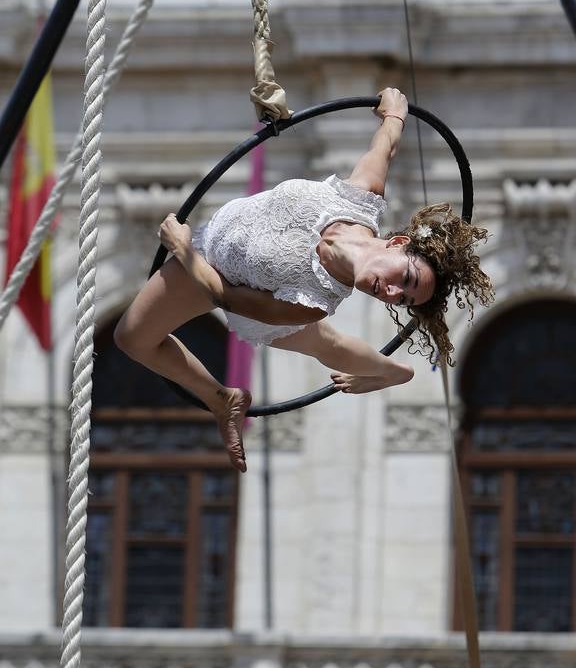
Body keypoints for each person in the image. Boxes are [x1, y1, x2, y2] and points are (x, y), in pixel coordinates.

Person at [115, 88, 493, 472]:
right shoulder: (360, 198)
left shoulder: (307, 304)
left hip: (214, 271)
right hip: (215, 238)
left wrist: (183, 250)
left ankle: (221, 400)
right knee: (324, 342)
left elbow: (224, 296)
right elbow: (387, 146)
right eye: (406, 278)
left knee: (133, 337)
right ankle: (386, 370)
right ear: (397, 243)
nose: (392, 292)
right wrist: (395, 111)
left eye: (403, 301)